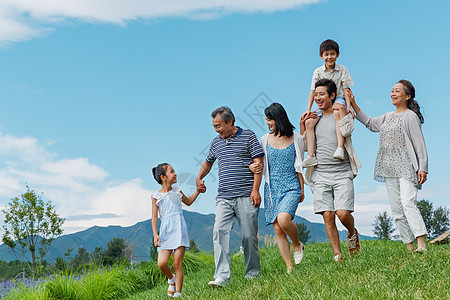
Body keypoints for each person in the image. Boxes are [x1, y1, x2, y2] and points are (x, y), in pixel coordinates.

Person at [348, 80, 429, 253]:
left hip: (407, 166)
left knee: (408, 203)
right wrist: (353, 103)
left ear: (407, 96)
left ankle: (421, 243)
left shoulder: (410, 117)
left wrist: (423, 167)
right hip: (389, 167)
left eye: (397, 91)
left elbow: (419, 144)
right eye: (392, 90)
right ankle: (409, 247)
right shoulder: (387, 116)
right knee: (397, 210)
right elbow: (369, 123)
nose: (393, 93)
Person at [196, 106, 264, 287]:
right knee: (219, 231)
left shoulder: (248, 136)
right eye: (214, 126)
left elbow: (259, 164)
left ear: (230, 122)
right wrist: (199, 177)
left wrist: (255, 190)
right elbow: (207, 163)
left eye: (218, 126)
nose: (216, 129)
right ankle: (222, 277)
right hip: (224, 197)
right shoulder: (216, 142)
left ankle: (253, 273)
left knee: (249, 236)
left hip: (246, 195)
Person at [300, 78, 361, 262]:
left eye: (322, 94)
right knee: (327, 215)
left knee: (342, 213)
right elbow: (304, 147)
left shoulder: (338, 112)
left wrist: (343, 112)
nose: (318, 98)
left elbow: (348, 130)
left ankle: (352, 233)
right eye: (316, 94)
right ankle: (337, 253)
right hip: (320, 174)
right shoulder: (314, 119)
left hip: (342, 173)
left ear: (332, 95)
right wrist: (303, 125)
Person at [249, 103, 306, 273]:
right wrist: (251, 167)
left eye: (269, 119)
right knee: (278, 229)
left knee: (283, 219)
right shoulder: (264, 139)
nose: (267, 123)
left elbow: (299, 165)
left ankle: (297, 244)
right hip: (272, 189)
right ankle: (289, 267)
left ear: (278, 118)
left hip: (291, 186)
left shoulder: (296, 138)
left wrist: (302, 189)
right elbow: (258, 163)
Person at [151, 163, 203, 298]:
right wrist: (155, 234)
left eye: (174, 171)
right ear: (163, 177)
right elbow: (154, 217)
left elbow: (189, 201)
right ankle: (171, 279)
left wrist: (198, 190)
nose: (175, 174)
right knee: (162, 263)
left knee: (177, 263)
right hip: (165, 232)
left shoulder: (177, 191)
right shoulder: (156, 196)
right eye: (171, 172)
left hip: (179, 229)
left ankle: (178, 293)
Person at [303, 39, 355, 168]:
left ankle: (340, 148)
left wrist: (349, 107)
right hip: (323, 100)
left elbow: (346, 89)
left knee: (337, 112)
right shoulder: (318, 72)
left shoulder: (342, 70)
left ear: (337, 54)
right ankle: (310, 156)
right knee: (309, 122)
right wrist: (308, 109)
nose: (329, 57)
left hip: (338, 98)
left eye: (332, 54)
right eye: (326, 54)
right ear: (321, 56)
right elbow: (313, 91)